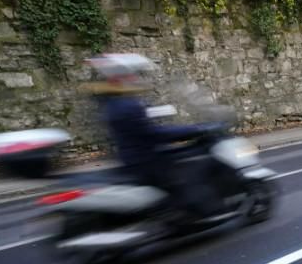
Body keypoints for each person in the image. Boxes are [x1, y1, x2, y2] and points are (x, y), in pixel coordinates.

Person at [84, 54, 213, 217]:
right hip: (146, 159)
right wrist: (194, 129)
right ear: (122, 78)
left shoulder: (111, 103)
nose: (135, 78)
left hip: (130, 157)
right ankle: (191, 214)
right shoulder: (128, 104)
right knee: (188, 172)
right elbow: (153, 133)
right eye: (131, 75)